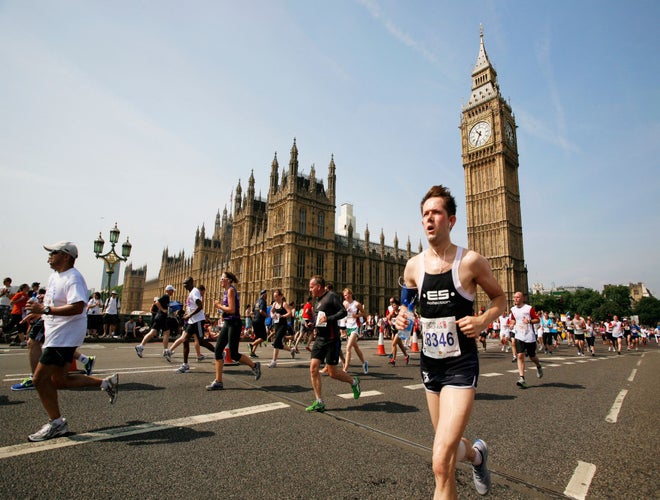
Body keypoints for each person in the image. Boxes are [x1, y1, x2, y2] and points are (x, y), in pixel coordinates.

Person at [394, 185, 505, 498]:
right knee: (451, 447)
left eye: (436, 213)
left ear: (451, 220)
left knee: (440, 461)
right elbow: (406, 303)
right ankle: (477, 456)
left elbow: (499, 298)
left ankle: (471, 457)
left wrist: (483, 320)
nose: (430, 219)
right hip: (431, 366)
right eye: (425, 214)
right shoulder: (413, 266)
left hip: (460, 364)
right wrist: (403, 315)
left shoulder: (470, 261)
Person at [22, 241, 118, 441]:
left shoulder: (73, 277)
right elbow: (53, 304)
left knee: (39, 380)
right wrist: (39, 314)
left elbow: (77, 306)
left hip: (64, 337)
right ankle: (105, 383)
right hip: (55, 333)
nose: (49, 256)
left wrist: (45, 310)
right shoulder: (55, 276)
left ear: (66, 256)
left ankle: (56, 423)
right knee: (59, 380)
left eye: (53, 253)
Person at [305, 275, 360, 412]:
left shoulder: (332, 296)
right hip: (320, 339)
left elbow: (342, 312)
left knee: (333, 373)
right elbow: (320, 318)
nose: (310, 289)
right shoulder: (317, 300)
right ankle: (319, 401)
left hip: (331, 339)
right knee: (313, 368)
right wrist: (314, 325)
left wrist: (328, 318)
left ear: (318, 287)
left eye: (311, 287)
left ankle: (354, 382)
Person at [205, 271, 261, 390]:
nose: (220, 280)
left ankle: (255, 365)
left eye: (222, 278)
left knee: (234, 354)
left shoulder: (230, 290)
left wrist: (219, 305)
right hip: (228, 323)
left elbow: (232, 309)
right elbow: (227, 310)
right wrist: (221, 310)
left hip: (234, 324)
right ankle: (219, 381)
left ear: (229, 280)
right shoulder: (226, 291)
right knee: (218, 350)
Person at [166, 277, 214, 372]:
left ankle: (220, 352)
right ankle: (185, 365)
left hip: (198, 320)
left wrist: (189, 315)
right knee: (185, 340)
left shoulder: (195, 292)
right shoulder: (191, 292)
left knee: (200, 341)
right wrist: (186, 314)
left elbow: (200, 306)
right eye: (183, 284)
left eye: (186, 284)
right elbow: (192, 306)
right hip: (192, 321)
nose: (184, 286)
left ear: (191, 283)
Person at [511, 291, 543, 388]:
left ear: (522, 298)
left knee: (532, 357)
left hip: (529, 335)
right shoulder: (513, 309)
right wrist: (512, 323)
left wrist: (529, 321)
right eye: (514, 297)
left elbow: (537, 319)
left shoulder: (529, 308)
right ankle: (522, 378)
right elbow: (513, 319)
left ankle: (538, 365)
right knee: (520, 355)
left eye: (517, 297)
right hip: (519, 335)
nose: (515, 299)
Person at [135, 285, 176, 360]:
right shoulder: (166, 296)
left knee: (154, 333)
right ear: (168, 290)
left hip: (160, 317)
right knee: (165, 332)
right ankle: (165, 351)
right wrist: (163, 310)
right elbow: (157, 302)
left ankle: (141, 346)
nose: (173, 292)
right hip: (161, 317)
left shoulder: (167, 298)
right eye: (172, 290)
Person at [341, 288, 368, 374]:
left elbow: (363, 313)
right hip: (347, 326)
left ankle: (345, 368)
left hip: (355, 326)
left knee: (348, 347)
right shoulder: (344, 303)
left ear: (351, 294)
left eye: (348, 294)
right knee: (356, 347)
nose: (346, 296)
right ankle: (364, 363)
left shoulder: (357, 304)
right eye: (345, 295)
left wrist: (356, 315)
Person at [267, 289, 296, 368]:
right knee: (279, 344)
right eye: (274, 297)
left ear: (280, 296)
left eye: (276, 296)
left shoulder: (284, 304)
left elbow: (290, 313)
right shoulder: (274, 304)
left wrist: (282, 316)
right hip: (276, 325)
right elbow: (271, 311)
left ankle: (274, 361)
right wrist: (272, 315)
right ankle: (291, 350)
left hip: (283, 325)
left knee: (276, 342)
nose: (275, 298)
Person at [386, 298, 409, 366]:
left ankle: (393, 359)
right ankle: (406, 356)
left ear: (398, 305)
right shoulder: (392, 312)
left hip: (400, 330)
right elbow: (388, 318)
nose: (393, 306)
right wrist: (390, 322)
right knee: (400, 345)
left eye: (394, 305)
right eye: (392, 305)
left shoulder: (400, 312)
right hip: (394, 330)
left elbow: (405, 320)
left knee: (393, 344)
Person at [248, 289, 268, 357]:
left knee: (257, 337)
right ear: (264, 294)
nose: (267, 296)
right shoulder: (263, 301)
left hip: (255, 321)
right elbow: (261, 311)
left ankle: (252, 352)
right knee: (264, 337)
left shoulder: (257, 301)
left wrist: (254, 318)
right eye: (266, 294)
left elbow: (251, 312)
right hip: (260, 321)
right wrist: (266, 315)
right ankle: (251, 345)